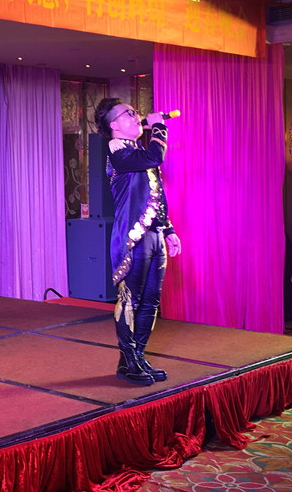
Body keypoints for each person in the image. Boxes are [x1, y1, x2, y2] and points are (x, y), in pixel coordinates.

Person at [94, 98, 181, 386]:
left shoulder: (139, 154)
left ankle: (137, 357)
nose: (136, 116)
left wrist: (168, 230)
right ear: (114, 125)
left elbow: (156, 195)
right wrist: (158, 127)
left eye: (135, 112)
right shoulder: (117, 150)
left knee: (151, 301)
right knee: (130, 300)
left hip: (154, 235)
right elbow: (156, 157)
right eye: (128, 113)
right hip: (133, 238)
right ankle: (129, 359)